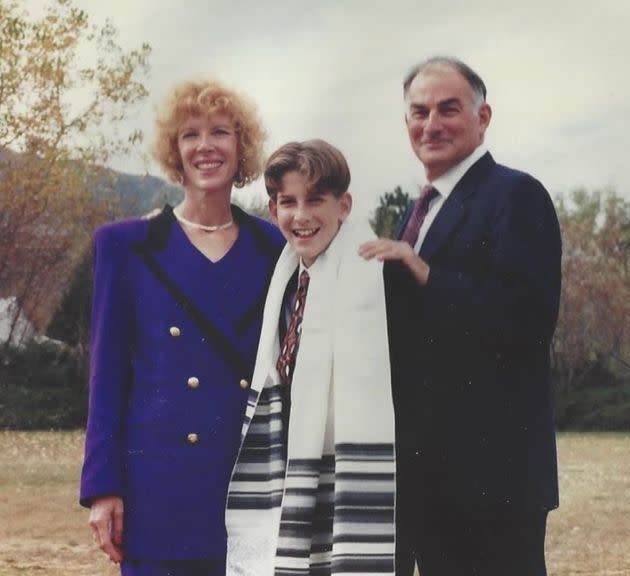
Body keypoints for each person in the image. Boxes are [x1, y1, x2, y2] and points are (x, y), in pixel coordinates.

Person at [360, 56, 562, 576]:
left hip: (494, 483)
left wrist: (425, 273)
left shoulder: (516, 194)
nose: (431, 125)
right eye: (418, 112)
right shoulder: (420, 209)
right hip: (429, 475)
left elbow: (527, 321)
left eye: (448, 109)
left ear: (483, 116)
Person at [79, 79, 284, 576]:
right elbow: (105, 378)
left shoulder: (276, 247)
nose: (206, 146)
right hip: (159, 489)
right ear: (175, 152)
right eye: (191, 135)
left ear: (243, 147)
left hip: (250, 485)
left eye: (220, 132)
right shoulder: (126, 246)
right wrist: (103, 489)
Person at [225, 140, 396, 575]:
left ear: (345, 205)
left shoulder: (376, 278)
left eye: (316, 200)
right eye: (289, 202)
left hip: (356, 478)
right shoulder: (286, 278)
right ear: (272, 210)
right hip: (295, 468)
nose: (301, 216)